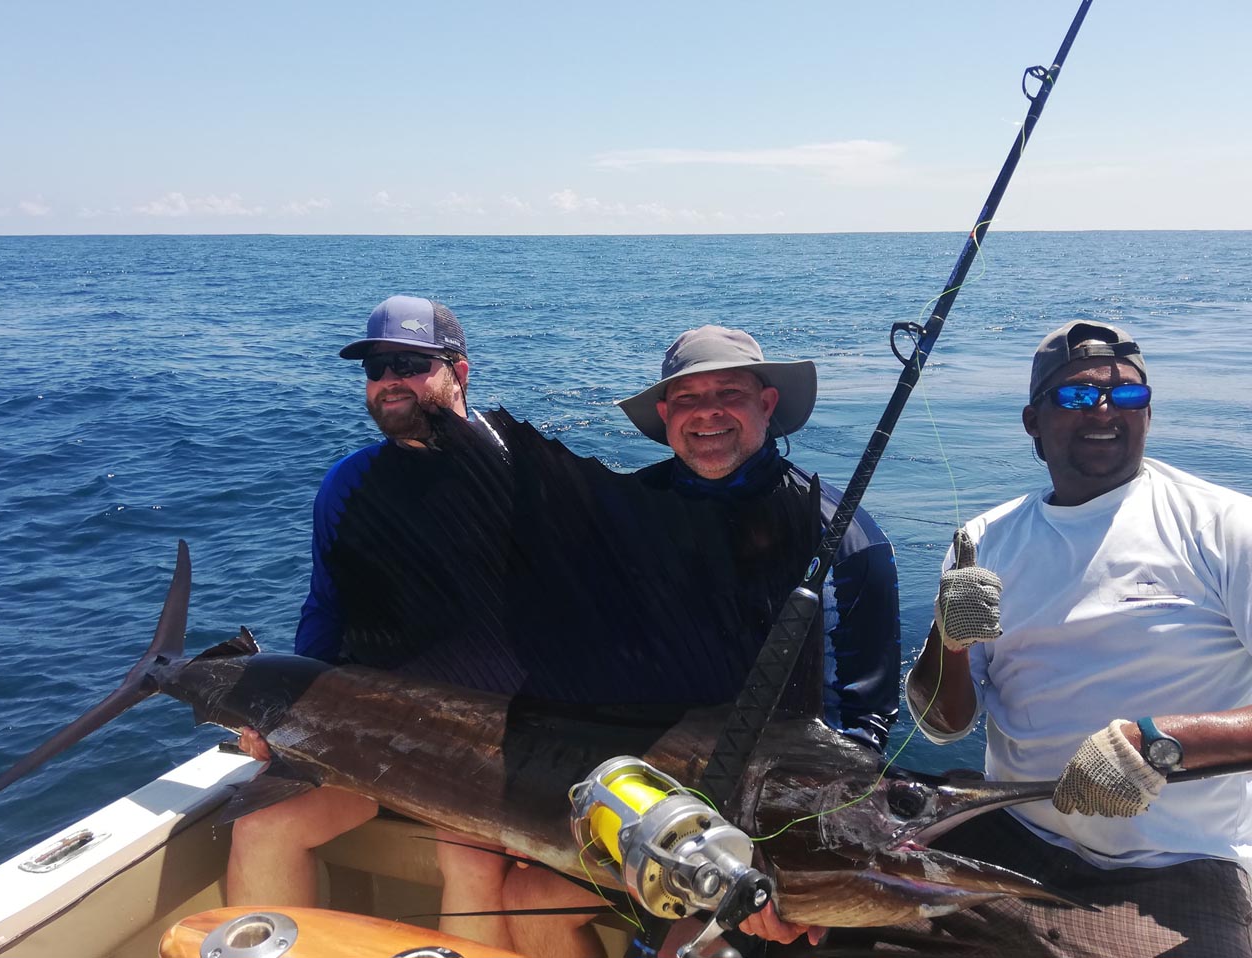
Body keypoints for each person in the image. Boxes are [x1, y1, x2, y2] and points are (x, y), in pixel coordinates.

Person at [500, 325, 903, 957]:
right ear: (664, 417)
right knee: (524, 897)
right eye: (687, 398)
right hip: (644, 797)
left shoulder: (845, 540)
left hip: (771, 823)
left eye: (730, 393)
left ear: (766, 405)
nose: (708, 412)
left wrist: (786, 869)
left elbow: (863, 730)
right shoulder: (617, 518)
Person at [899, 319, 1252, 956]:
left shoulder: (1225, 527)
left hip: (1178, 866)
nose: (1104, 410)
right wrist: (947, 645)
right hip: (1012, 839)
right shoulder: (985, 540)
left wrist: (1161, 742)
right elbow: (944, 726)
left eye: (1128, 396)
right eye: (1076, 396)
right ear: (1033, 421)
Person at [226, 294, 515, 950]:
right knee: (260, 825)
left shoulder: (523, 478)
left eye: (409, 364)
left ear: (459, 372)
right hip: (373, 733)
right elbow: (325, 614)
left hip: (482, 746)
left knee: (469, 861)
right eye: (376, 367)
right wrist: (285, 715)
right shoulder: (346, 485)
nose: (388, 381)